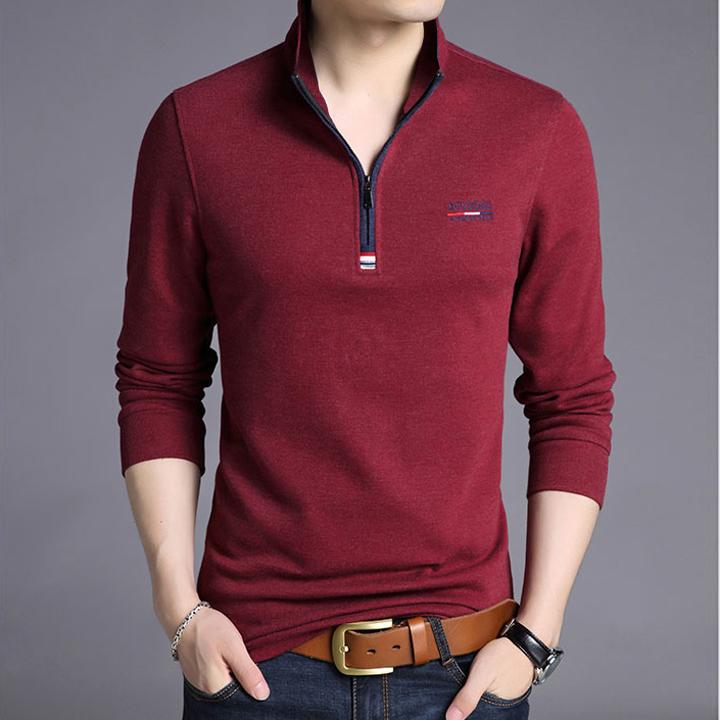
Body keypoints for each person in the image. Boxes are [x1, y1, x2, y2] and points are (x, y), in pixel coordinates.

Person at [114, 0, 617, 718]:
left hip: (462, 674)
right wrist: (179, 611)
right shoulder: (197, 127)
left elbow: (572, 394)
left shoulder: (536, 128)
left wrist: (537, 634)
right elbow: (158, 378)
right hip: (256, 670)